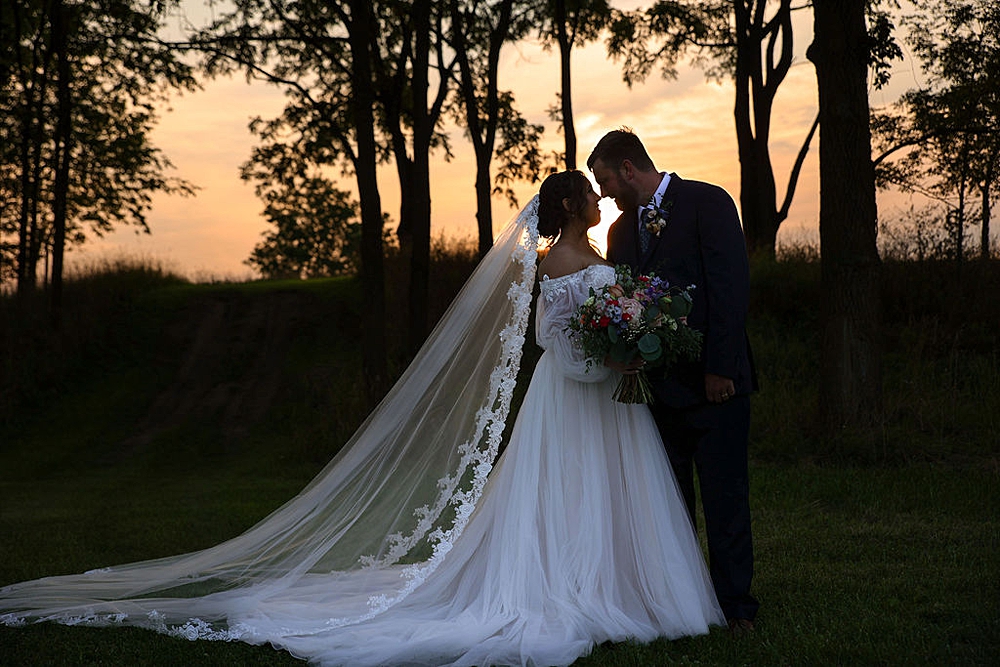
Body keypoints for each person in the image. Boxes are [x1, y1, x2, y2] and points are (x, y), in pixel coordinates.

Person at [0, 170, 724, 666]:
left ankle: (617, 582)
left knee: (595, 501)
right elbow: (555, 346)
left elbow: (555, 337)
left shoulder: (584, 255)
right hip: (579, 398)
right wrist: (614, 359)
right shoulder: (565, 262)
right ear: (569, 208)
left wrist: (624, 344)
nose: (600, 203)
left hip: (594, 402)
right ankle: (586, 588)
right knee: (569, 501)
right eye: (589, 197)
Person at [588, 129, 760, 634]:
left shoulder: (708, 202)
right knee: (672, 506)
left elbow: (730, 288)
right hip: (658, 392)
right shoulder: (619, 234)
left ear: (627, 168)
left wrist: (720, 369)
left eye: (605, 180)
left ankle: (736, 608)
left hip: (715, 384)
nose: (604, 193)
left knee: (726, 498)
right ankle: (684, 605)